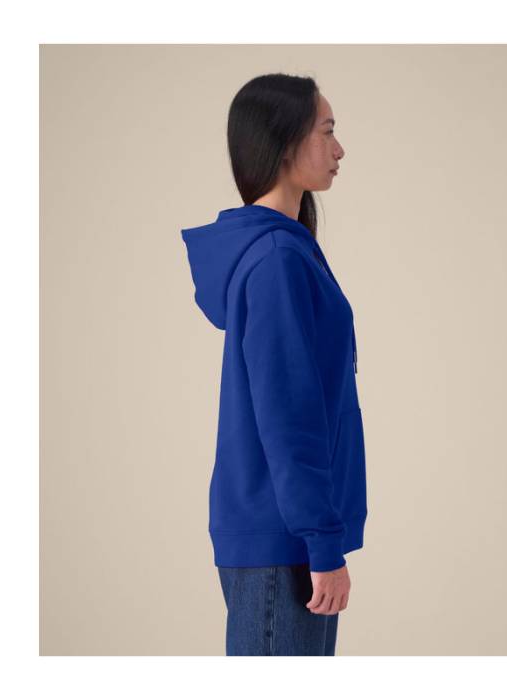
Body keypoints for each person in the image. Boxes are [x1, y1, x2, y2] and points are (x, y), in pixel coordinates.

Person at [181, 73, 367, 656]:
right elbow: (290, 415)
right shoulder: (276, 258)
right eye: (327, 132)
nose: (339, 149)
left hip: (282, 534)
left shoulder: (287, 249)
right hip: (283, 540)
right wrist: (322, 543)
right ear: (285, 143)